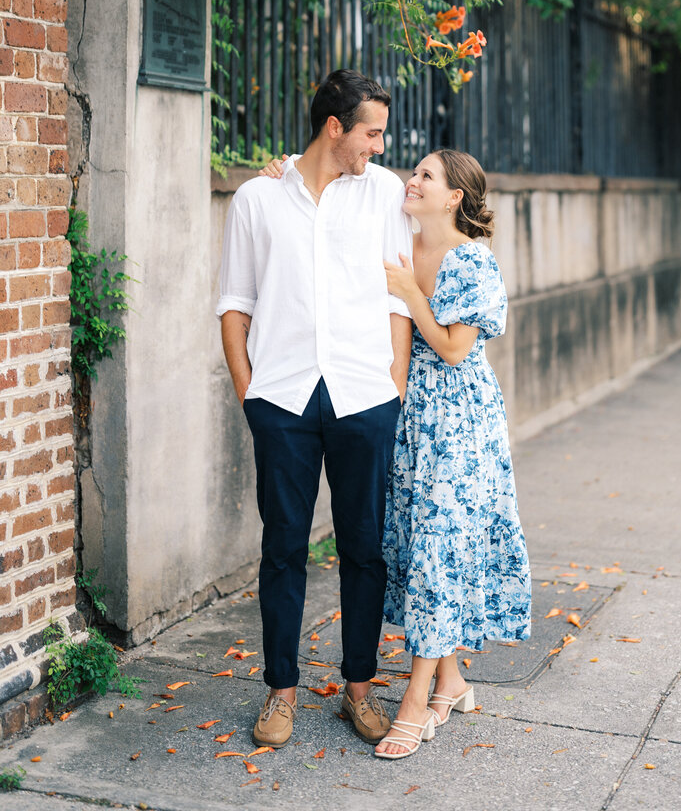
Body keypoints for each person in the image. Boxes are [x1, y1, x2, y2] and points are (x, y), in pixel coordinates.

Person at [216, 70, 413, 751]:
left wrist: (395, 383)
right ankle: (280, 691)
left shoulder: (386, 194)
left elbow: (399, 296)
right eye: (371, 132)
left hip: (365, 396)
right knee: (283, 548)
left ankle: (359, 690)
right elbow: (234, 304)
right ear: (336, 128)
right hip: (284, 398)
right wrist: (252, 397)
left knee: (364, 548)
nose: (379, 146)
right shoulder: (257, 199)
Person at [375, 149, 531, 759]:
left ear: (454, 198)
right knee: (425, 544)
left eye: (426, 177)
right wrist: (280, 167)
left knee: (443, 545)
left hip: (462, 419)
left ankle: (415, 702)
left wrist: (411, 291)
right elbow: (342, 174)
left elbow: (452, 349)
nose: (411, 182)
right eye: (412, 173)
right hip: (411, 415)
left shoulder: (472, 262)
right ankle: (452, 681)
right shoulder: (397, 234)